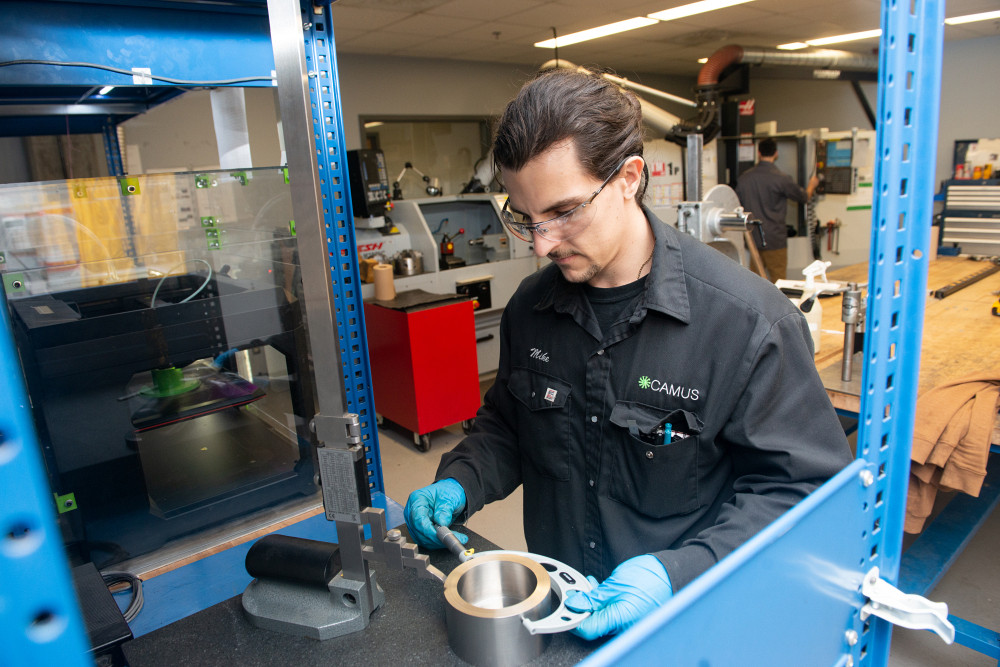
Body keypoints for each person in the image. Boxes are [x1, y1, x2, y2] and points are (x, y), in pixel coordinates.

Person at [403, 68, 851, 641]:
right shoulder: (530, 309)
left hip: (689, 623)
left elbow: (802, 490)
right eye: (525, 218)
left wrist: (680, 574)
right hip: (562, 618)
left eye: (564, 212)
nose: (542, 243)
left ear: (628, 178)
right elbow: (510, 428)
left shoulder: (747, 324)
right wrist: (462, 479)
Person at [734, 137, 819, 282]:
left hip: (753, 240)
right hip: (775, 240)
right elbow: (804, 197)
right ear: (776, 153)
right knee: (779, 282)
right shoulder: (782, 179)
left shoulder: (744, 178)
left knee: (755, 282)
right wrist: (812, 185)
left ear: (759, 153)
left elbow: (736, 206)